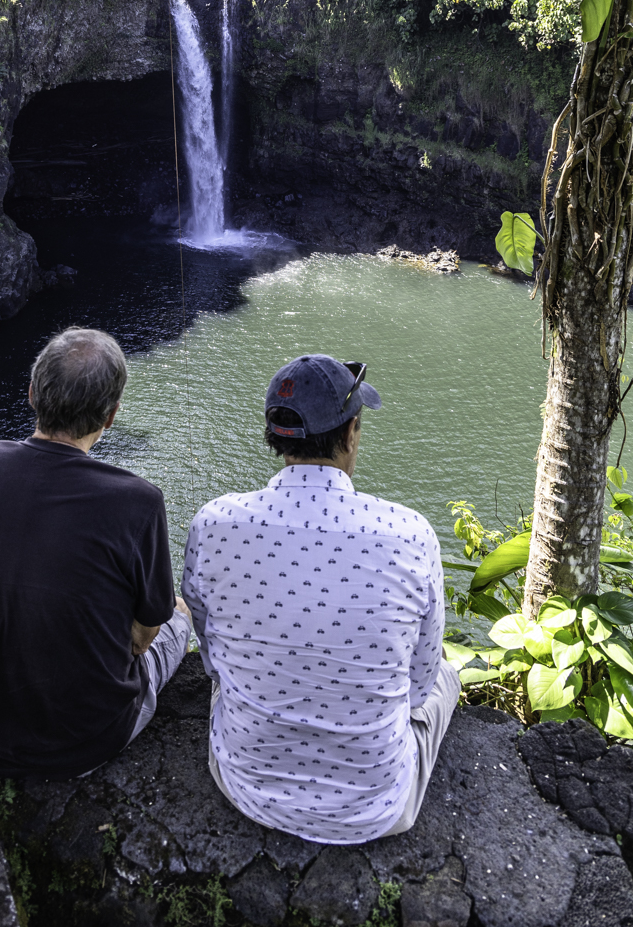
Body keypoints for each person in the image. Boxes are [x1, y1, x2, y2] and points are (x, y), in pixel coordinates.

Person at [182, 353, 459, 843]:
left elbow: (211, 660)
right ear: (351, 433)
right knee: (448, 674)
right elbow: (416, 690)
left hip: (245, 787)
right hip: (375, 808)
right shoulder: (411, 534)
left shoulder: (214, 522)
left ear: (275, 435)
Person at [0, 326, 190, 779]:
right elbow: (149, 626)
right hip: (82, 744)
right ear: (110, 416)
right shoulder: (137, 501)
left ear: (33, 394)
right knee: (178, 610)